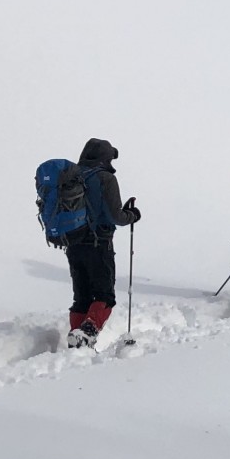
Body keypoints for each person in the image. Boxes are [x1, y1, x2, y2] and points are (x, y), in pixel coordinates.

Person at [66, 138, 141, 348]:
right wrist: (132, 215)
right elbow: (115, 216)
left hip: (72, 243)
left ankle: (76, 338)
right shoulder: (105, 178)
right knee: (104, 295)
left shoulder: (71, 175)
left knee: (81, 297)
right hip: (99, 243)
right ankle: (86, 333)